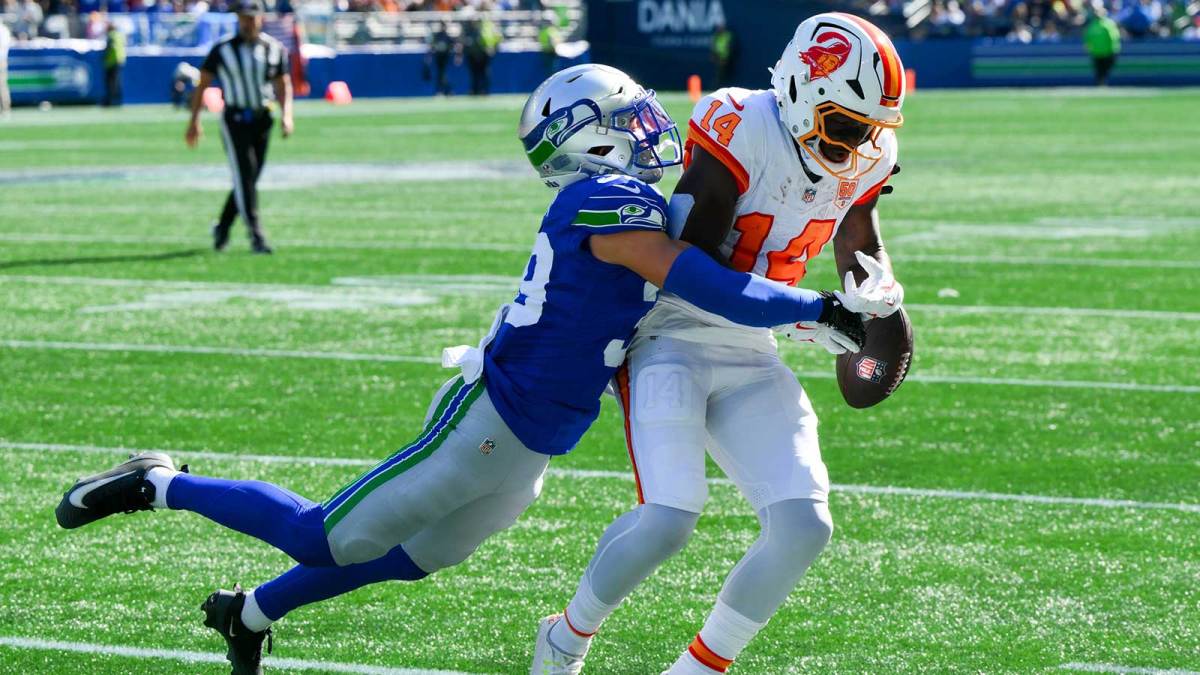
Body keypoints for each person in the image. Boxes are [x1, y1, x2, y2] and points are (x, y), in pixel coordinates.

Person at [55, 63, 865, 675]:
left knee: (418, 555)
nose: (653, 126)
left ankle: (251, 611)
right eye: (631, 117)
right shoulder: (608, 201)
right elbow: (697, 278)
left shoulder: (626, 196)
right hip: (487, 422)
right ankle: (159, 481)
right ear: (593, 136)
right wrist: (815, 306)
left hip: (533, 442)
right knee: (325, 534)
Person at [531, 13, 907, 675]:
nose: (858, 144)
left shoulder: (866, 152)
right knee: (669, 517)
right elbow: (695, 267)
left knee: (804, 526)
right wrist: (808, 314)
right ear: (797, 88)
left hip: (753, 345)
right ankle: (566, 635)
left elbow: (859, 247)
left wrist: (881, 302)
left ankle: (697, 670)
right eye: (846, 125)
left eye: (872, 129)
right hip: (672, 332)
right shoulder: (740, 121)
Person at [186, 0, 292, 254]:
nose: (247, 23)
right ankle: (257, 235)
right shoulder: (223, 49)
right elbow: (203, 84)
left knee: (250, 178)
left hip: (263, 118)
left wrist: (287, 115)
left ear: (260, 18)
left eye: (251, 18)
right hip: (235, 120)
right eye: (243, 18)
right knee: (245, 177)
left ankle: (222, 226)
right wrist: (194, 121)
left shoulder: (273, 48)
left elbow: (282, 83)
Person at [1085, 3, 1121, 85]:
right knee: (1098, 71)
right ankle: (1100, 84)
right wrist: (1088, 47)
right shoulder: (1092, 24)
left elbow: (1114, 37)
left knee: (1105, 70)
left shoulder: (1109, 24)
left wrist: (1114, 49)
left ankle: (1103, 83)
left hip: (1108, 52)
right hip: (1096, 52)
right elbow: (1087, 38)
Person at [426, 20, 458, 95]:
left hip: (445, 58)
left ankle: (444, 90)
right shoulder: (437, 35)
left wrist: (456, 55)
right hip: (438, 57)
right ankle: (444, 91)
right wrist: (429, 56)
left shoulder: (447, 36)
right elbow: (432, 46)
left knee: (442, 74)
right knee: (440, 74)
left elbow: (453, 46)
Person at [710, 21, 734, 88]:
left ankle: (723, 87)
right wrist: (715, 56)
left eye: (720, 27)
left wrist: (726, 58)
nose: (719, 29)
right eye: (718, 28)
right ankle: (717, 87)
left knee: (725, 75)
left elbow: (730, 47)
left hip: (726, 59)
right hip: (718, 58)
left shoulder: (727, 35)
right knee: (719, 75)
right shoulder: (716, 36)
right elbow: (714, 46)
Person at [0, 20, 11, 119]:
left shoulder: (3, 30)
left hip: (1, 60)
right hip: (2, 59)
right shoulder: (4, 30)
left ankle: (5, 108)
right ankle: (5, 109)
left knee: (2, 85)